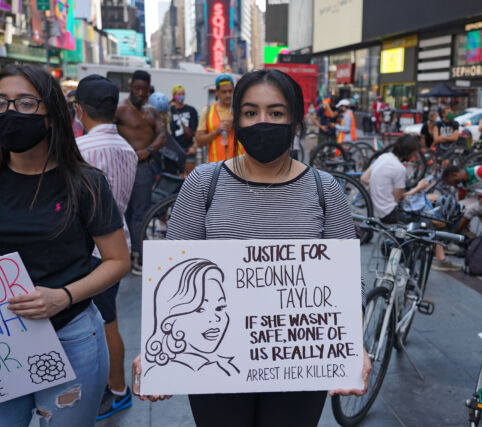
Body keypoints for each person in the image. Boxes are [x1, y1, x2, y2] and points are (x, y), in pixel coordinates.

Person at [133, 68, 371, 425]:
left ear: (295, 121)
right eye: (250, 112)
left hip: (300, 361)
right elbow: (172, 276)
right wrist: (156, 348)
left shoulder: (325, 190)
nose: (263, 122)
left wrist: (354, 344)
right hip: (217, 364)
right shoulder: (203, 183)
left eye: (276, 113)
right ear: (237, 120)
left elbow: (349, 282)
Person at [0, 65, 130, 426]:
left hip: (69, 335)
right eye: (0, 102)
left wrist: (62, 296)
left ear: (51, 115)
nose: (10, 113)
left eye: (25, 103)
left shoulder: (85, 182)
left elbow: (117, 260)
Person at [73, 74, 138, 420]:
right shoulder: (126, 148)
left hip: (93, 252)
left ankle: (117, 391)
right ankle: (111, 387)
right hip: (117, 245)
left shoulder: (80, 150)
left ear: (79, 110)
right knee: (105, 320)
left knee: (105, 323)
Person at [360, 135, 461, 271]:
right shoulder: (399, 169)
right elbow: (399, 199)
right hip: (389, 214)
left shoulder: (384, 157)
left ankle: (441, 246)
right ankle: (440, 257)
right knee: (433, 216)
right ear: (408, 153)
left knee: (431, 198)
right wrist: (418, 188)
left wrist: (380, 186)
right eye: (413, 154)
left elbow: (364, 178)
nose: (414, 157)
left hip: (377, 209)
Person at [144, 258, 239, 379]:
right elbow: (178, 247)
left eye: (220, 308)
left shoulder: (223, 363)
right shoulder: (165, 371)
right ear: (170, 319)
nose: (215, 319)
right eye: (199, 309)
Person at [115, 70, 166, 274]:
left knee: (140, 211)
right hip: (125, 166)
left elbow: (162, 136)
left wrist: (148, 150)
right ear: (130, 86)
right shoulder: (119, 110)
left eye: (145, 89)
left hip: (144, 167)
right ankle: (136, 255)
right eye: (137, 88)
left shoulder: (152, 112)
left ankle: (136, 254)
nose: (141, 93)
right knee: (129, 212)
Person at [195, 74, 243, 162]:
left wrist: (237, 122)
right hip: (216, 167)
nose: (228, 95)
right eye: (224, 92)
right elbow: (199, 142)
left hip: (239, 166)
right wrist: (217, 130)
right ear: (217, 92)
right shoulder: (208, 111)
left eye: (230, 91)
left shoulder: (242, 110)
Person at [169, 84, 198, 173]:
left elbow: (197, 130)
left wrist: (194, 147)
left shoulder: (191, 110)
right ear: (174, 96)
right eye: (178, 94)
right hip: (174, 150)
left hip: (188, 149)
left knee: (190, 178)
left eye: (182, 94)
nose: (181, 96)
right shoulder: (169, 110)